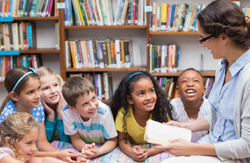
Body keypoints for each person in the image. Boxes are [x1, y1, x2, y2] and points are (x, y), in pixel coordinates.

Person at [156, 0, 250, 162]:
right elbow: (220, 117)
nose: (203, 45)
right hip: (212, 143)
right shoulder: (222, 65)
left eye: (203, 39)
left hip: (233, 155)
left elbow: (246, 146)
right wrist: (185, 126)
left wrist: (193, 148)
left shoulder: (247, 78)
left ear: (223, 37)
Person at [0, 66, 80, 162]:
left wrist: (61, 155)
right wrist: (57, 155)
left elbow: (41, 143)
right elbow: (17, 152)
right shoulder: (8, 117)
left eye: (38, 89)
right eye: (30, 92)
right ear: (14, 96)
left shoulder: (37, 106)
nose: (38, 96)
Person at [110, 71, 173, 162]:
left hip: (154, 148)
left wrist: (148, 152)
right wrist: (131, 152)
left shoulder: (161, 110)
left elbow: (165, 140)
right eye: (141, 93)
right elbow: (123, 140)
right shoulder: (123, 113)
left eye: (151, 91)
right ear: (130, 99)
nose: (149, 97)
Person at [61, 76, 118, 159]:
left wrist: (97, 152)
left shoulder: (104, 112)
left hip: (103, 145)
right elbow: (75, 139)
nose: (93, 106)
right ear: (72, 108)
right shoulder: (67, 112)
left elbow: (112, 140)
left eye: (94, 98)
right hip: (85, 144)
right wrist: (86, 149)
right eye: (85, 104)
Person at [0, 112, 67, 163]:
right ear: (9, 142)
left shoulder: (21, 155)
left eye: (35, 142)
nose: (34, 148)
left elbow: (43, 160)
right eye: (29, 142)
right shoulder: (3, 155)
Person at [171, 68, 210, 143]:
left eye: (196, 80)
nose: (190, 84)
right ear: (177, 91)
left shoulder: (210, 108)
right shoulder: (172, 107)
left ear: (204, 90)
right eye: (184, 81)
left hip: (204, 149)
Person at [37, 66, 70, 143]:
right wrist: (51, 116)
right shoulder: (37, 110)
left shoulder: (68, 105)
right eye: (46, 88)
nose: (53, 91)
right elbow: (44, 143)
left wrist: (60, 113)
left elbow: (66, 140)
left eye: (55, 85)